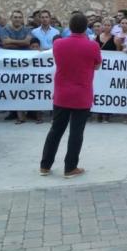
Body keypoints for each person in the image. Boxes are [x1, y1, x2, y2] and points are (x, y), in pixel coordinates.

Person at [39, 13, 101, 179]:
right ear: (86, 27)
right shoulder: (93, 46)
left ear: (70, 27)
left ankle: (45, 166)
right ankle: (70, 167)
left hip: (62, 94)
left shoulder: (58, 43)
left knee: (55, 130)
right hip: (82, 94)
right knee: (76, 132)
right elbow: (97, 66)